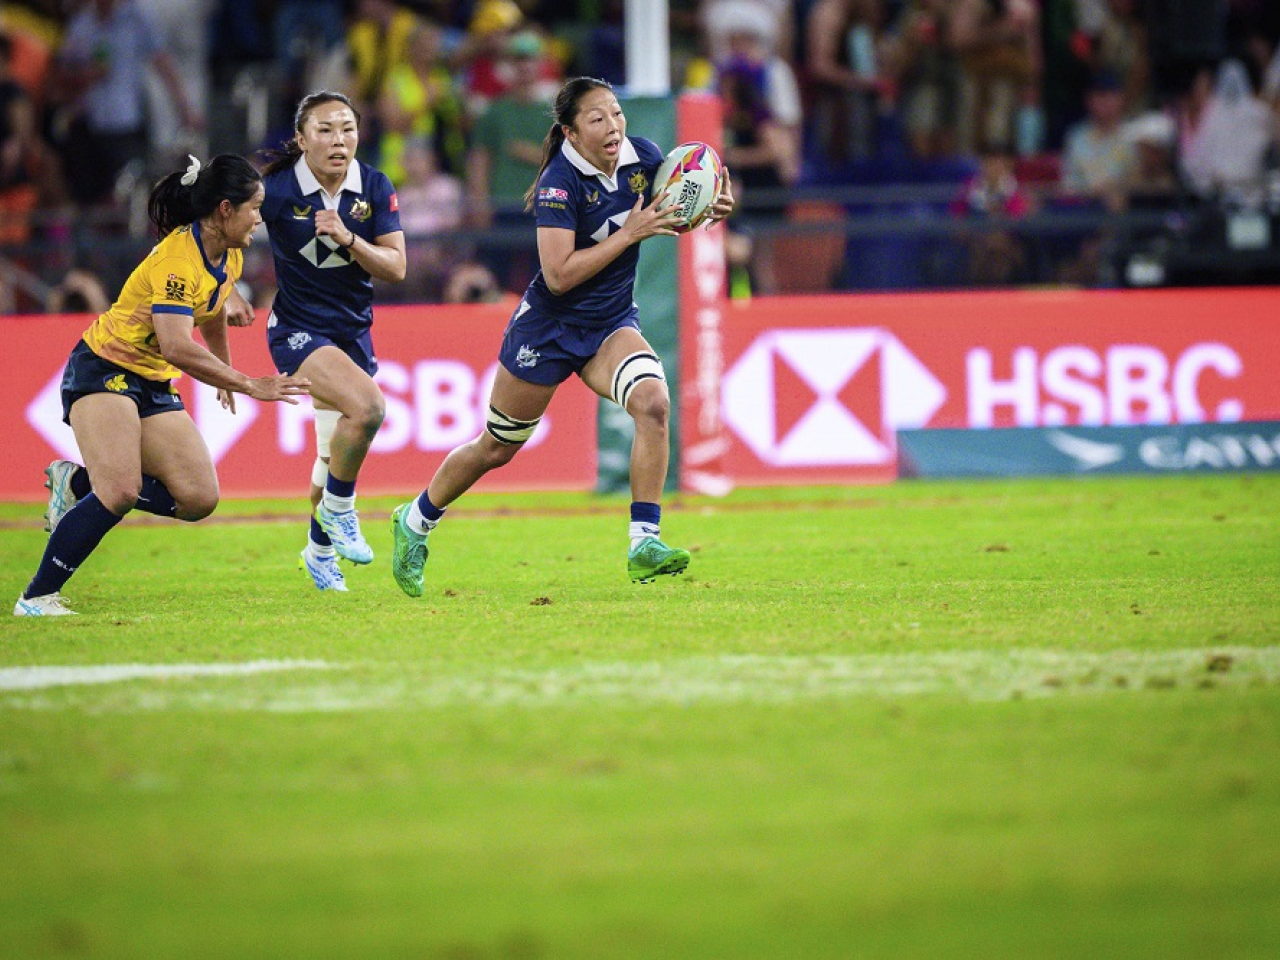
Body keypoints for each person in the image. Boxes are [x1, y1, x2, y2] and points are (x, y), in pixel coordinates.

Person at [388, 77, 735, 597]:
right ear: (571, 133)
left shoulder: (644, 158)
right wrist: (629, 234)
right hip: (546, 331)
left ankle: (645, 543)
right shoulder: (559, 184)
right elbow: (559, 275)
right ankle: (415, 520)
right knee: (496, 448)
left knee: (654, 403)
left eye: (616, 113)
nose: (614, 125)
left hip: (610, 325)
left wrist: (703, 213)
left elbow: (659, 219)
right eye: (597, 119)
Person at [15, 154, 309, 617]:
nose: (261, 217)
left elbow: (211, 312)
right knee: (120, 492)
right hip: (103, 367)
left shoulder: (228, 253)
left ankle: (76, 483)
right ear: (225, 209)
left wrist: (223, 369)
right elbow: (174, 344)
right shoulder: (176, 262)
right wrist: (250, 383)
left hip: (150, 380)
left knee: (198, 497)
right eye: (255, 207)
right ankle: (35, 597)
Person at [245, 90, 406, 593]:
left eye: (348, 129)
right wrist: (227, 287)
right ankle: (341, 512)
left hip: (352, 331)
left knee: (329, 457)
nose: (339, 141)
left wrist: (349, 238)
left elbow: (397, 268)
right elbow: (219, 229)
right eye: (325, 130)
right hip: (296, 329)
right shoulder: (274, 189)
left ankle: (318, 550)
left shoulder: (375, 186)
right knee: (370, 410)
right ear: (301, 139)